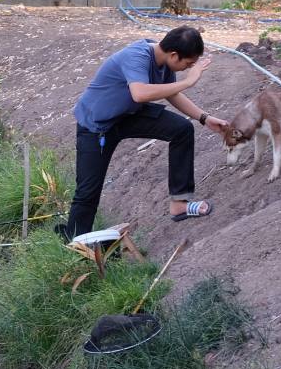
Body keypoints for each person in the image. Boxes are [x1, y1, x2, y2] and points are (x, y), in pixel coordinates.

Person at [57, 26, 228, 241]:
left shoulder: (165, 61)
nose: (188, 68)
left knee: (182, 129)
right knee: (87, 192)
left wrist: (204, 118)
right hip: (96, 126)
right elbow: (139, 93)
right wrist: (189, 81)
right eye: (188, 64)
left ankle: (179, 204)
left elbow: (171, 93)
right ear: (174, 55)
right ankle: (75, 244)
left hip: (127, 116)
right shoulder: (136, 56)